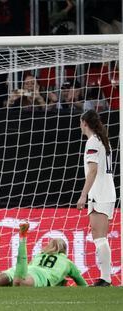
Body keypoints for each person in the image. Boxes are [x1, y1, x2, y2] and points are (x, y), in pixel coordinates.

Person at [0, 223, 87, 287]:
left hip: (24, 269)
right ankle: (23, 238)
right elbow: (82, 284)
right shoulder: (67, 262)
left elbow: (27, 268)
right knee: (19, 281)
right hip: (41, 275)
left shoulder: (39, 256)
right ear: (64, 250)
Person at [77, 110, 116, 286]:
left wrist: (83, 195)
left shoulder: (93, 141)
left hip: (99, 193)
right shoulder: (103, 141)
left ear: (84, 122)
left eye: (80, 122)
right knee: (99, 236)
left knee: (99, 236)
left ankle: (106, 278)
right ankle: (105, 277)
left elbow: (92, 170)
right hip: (106, 192)